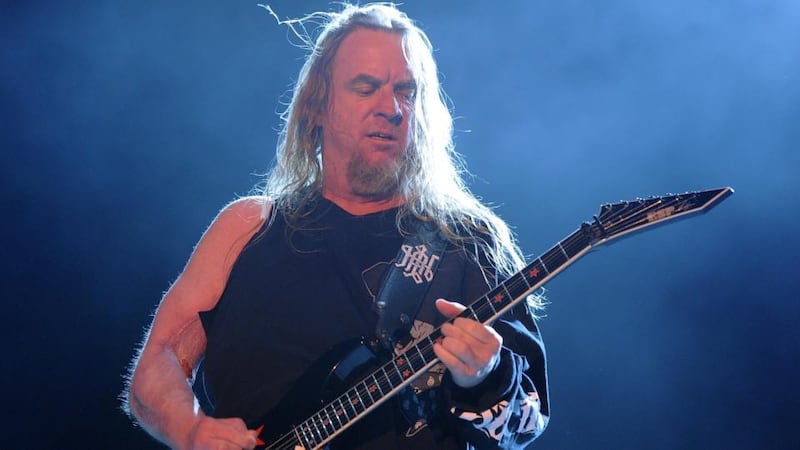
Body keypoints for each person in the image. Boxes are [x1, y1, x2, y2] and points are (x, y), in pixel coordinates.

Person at [124, 3, 549, 449]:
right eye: (365, 88)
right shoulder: (248, 228)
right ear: (317, 105)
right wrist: (190, 430)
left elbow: (529, 420)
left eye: (406, 92)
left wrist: (488, 374)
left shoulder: (467, 241)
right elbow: (160, 360)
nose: (391, 108)